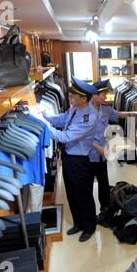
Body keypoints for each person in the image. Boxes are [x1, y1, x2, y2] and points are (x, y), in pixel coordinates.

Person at [42, 77, 99, 243]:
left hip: (80, 162)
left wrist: (43, 126)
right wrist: (44, 115)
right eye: (70, 95)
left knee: (84, 195)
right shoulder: (74, 109)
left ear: (83, 98)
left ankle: (89, 227)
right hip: (68, 159)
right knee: (71, 194)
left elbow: (65, 136)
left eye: (73, 96)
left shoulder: (89, 117)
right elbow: (60, 119)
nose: (70, 98)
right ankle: (78, 223)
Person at [90, 80, 137, 216]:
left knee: (103, 182)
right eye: (103, 94)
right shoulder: (84, 110)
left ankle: (105, 208)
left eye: (106, 94)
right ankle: (89, 213)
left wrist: (135, 113)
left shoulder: (106, 109)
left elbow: (118, 114)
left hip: (102, 154)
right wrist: (98, 148)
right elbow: (81, 136)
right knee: (87, 185)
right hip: (87, 155)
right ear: (94, 95)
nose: (105, 97)